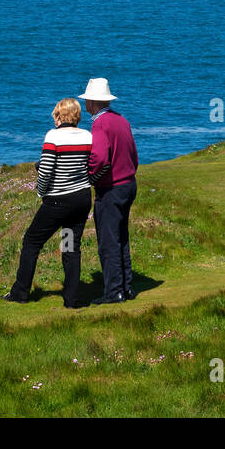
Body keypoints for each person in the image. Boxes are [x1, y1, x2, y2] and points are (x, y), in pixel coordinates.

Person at [4, 98, 93, 309]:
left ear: (60, 116)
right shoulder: (88, 136)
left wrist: (41, 192)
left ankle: (20, 292)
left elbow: (45, 170)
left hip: (57, 201)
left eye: (56, 115)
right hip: (81, 198)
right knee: (70, 246)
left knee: (32, 242)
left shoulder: (54, 136)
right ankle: (71, 300)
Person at [80, 77, 139, 304]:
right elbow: (133, 153)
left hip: (112, 188)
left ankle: (114, 292)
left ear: (93, 102)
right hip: (128, 183)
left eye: (87, 101)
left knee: (108, 241)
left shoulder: (100, 124)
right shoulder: (121, 120)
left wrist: (90, 177)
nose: (85, 105)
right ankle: (126, 287)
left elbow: (100, 158)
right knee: (121, 238)